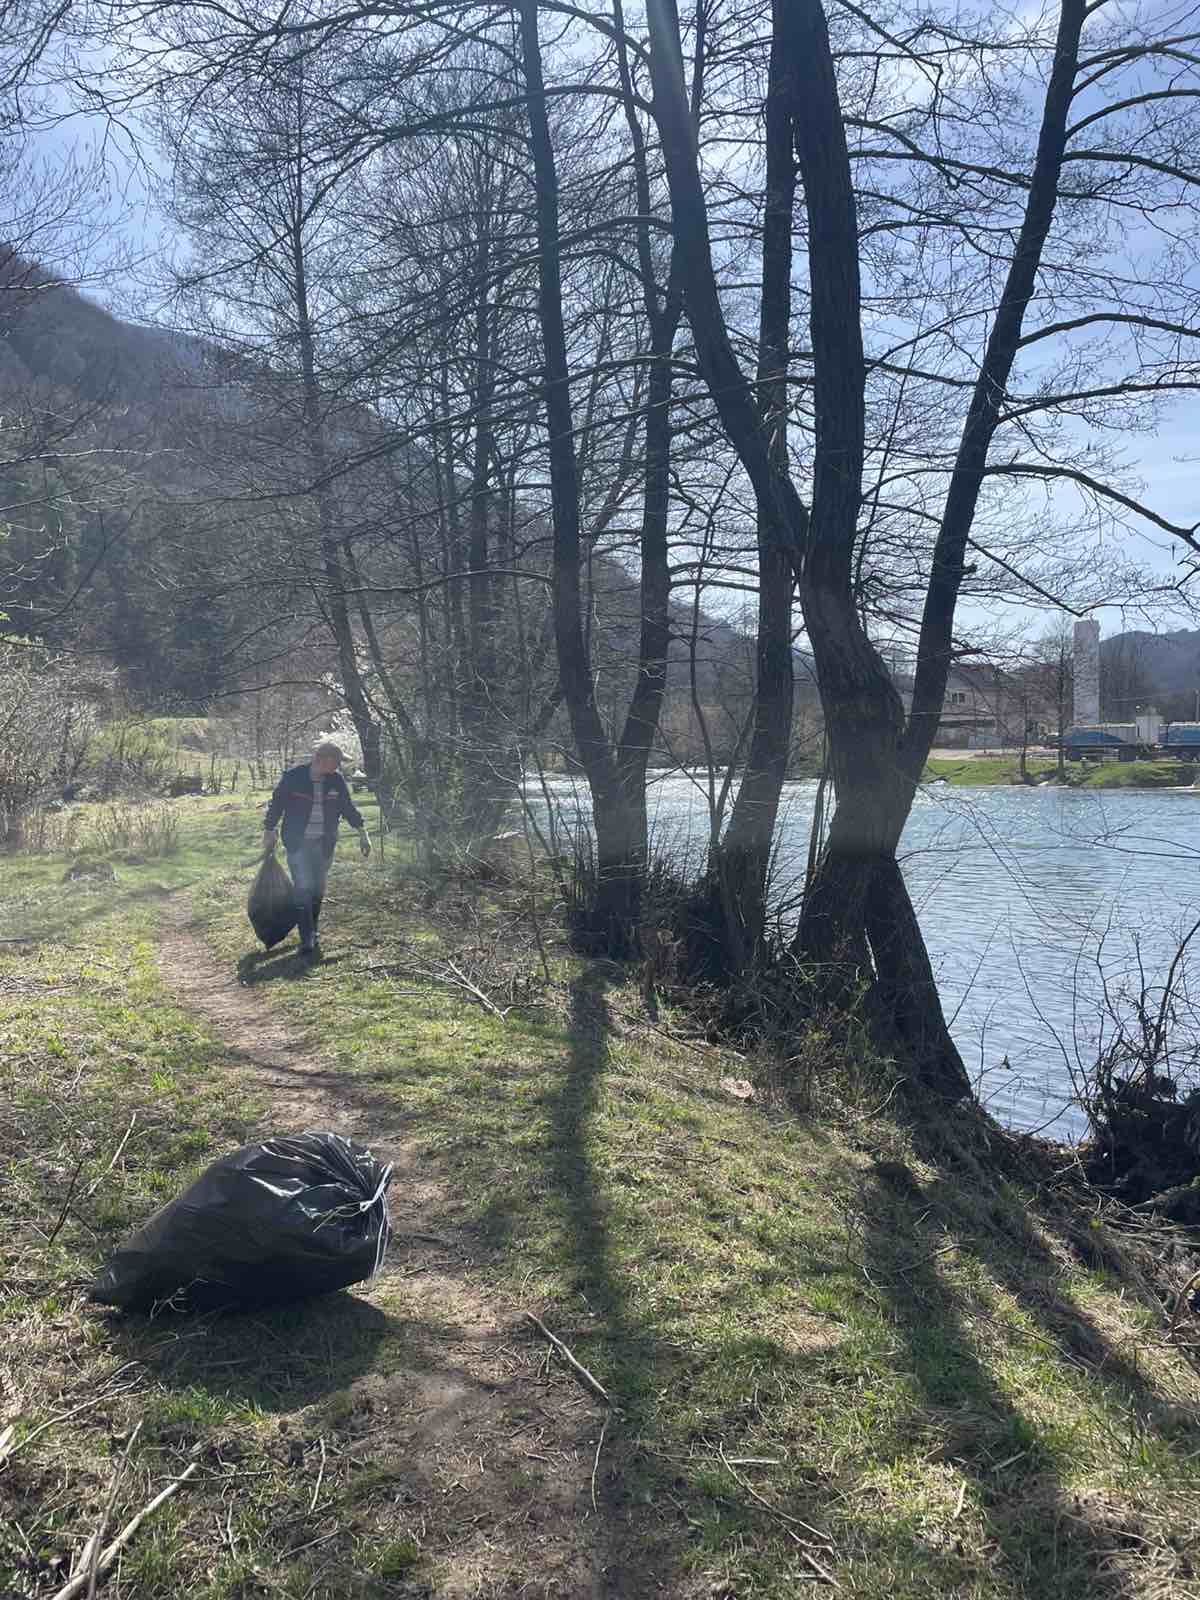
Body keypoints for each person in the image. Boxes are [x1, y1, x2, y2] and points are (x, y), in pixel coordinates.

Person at [263, 741, 371, 957]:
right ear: (322, 759)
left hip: (324, 844)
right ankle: (307, 938)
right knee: (303, 888)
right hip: (298, 843)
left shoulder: (336, 781)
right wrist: (269, 829)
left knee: (317, 890)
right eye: (337, 761)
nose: (339, 766)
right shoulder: (294, 777)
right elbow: (277, 804)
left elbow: (348, 808)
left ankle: (312, 930)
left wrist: (363, 832)